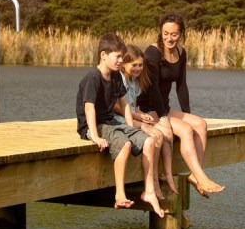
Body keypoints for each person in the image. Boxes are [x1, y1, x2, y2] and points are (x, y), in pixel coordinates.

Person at [76, 32, 164, 216]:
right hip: (95, 126)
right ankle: (119, 194)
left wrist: (131, 127)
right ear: (103, 55)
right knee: (124, 144)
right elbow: (89, 109)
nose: (119, 61)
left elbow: (124, 103)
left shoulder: (115, 76)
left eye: (121, 57)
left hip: (111, 122)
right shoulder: (94, 77)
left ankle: (148, 191)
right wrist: (95, 136)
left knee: (148, 141)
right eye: (117, 57)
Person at [139, 12, 224, 197]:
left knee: (200, 124)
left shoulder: (181, 52)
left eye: (174, 34)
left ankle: (195, 175)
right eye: (166, 33)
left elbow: (181, 86)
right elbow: (152, 89)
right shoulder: (152, 53)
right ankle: (203, 177)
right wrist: (162, 117)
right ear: (160, 32)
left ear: (181, 33)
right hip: (147, 108)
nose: (170, 38)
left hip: (165, 108)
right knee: (185, 130)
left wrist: (187, 114)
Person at [118, 44, 177, 198]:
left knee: (166, 132)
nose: (138, 69)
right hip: (121, 119)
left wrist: (141, 114)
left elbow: (134, 106)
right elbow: (116, 107)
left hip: (133, 116)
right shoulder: (120, 80)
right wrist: (138, 117)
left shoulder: (135, 81)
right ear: (124, 64)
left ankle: (165, 174)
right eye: (134, 65)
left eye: (140, 65)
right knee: (156, 135)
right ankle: (152, 184)